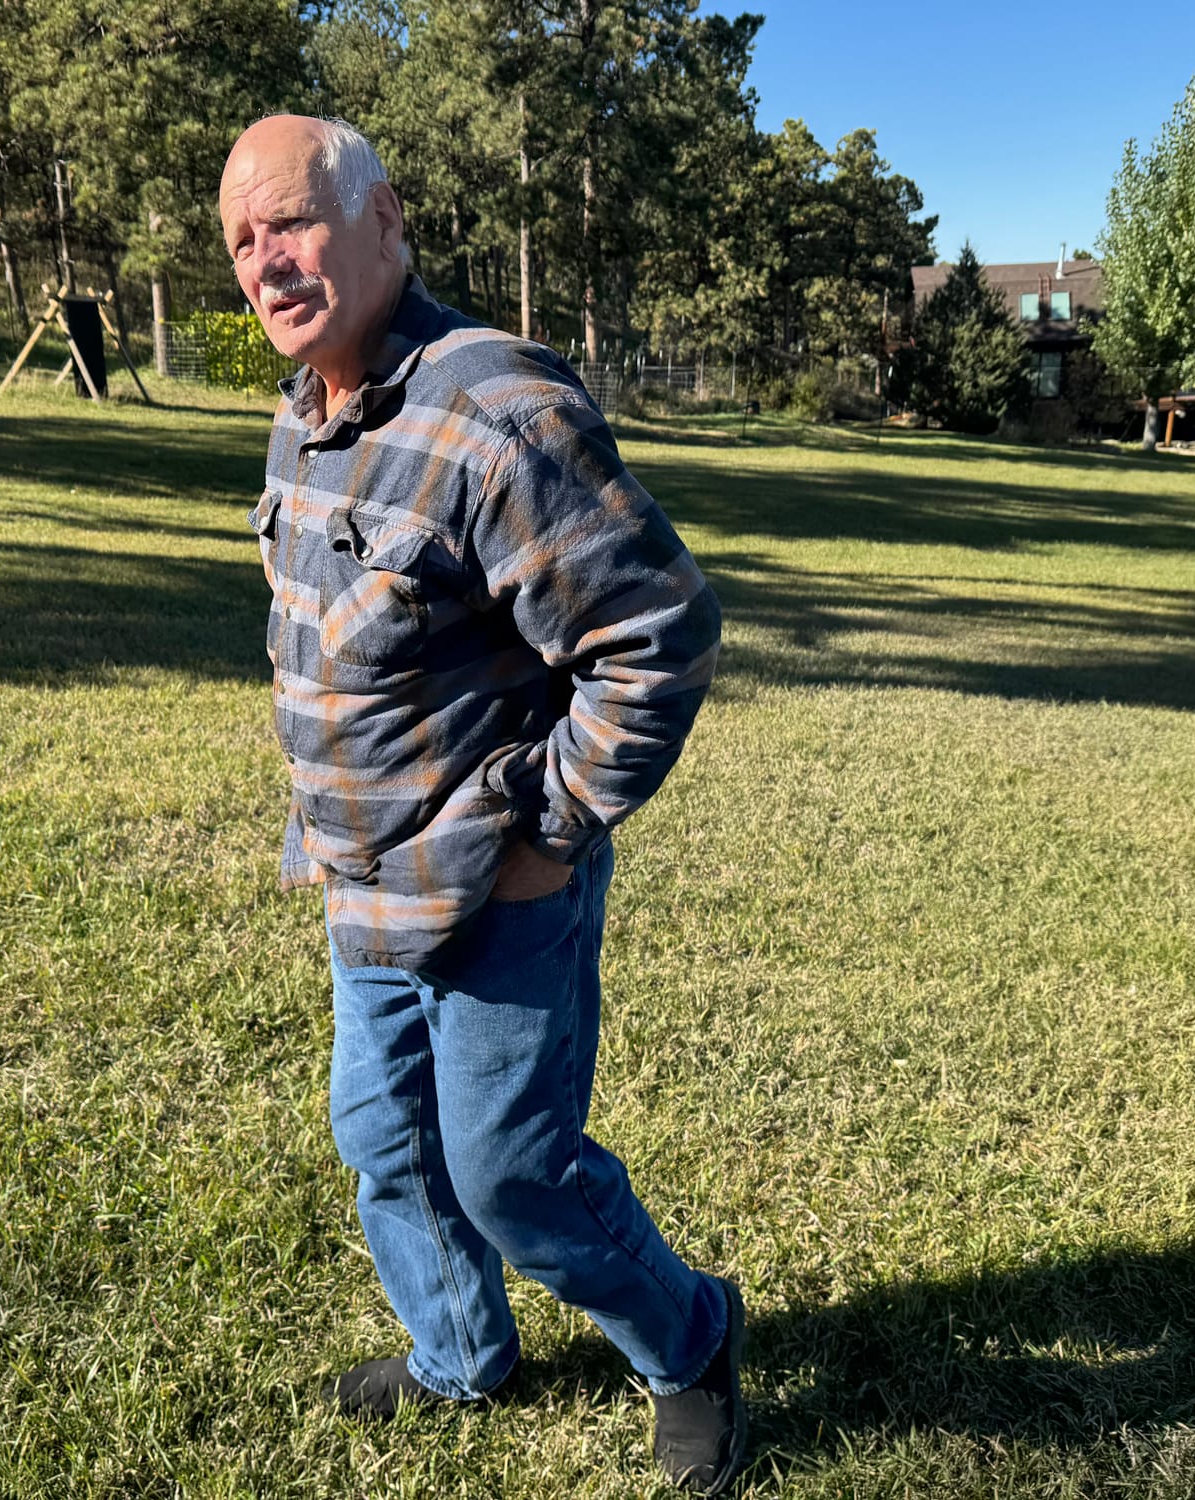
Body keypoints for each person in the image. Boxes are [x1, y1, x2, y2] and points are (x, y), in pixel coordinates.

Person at [218, 114, 745, 1494]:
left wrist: (549, 837)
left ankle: (691, 1337)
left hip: (495, 883)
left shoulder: (495, 410)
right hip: (360, 880)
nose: (265, 262)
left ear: (384, 217)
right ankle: (461, 1354)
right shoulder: (307, 412)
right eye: (242, 241)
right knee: (387, 1144)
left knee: (512, 1173)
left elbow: (658, 638)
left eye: (291, 221)